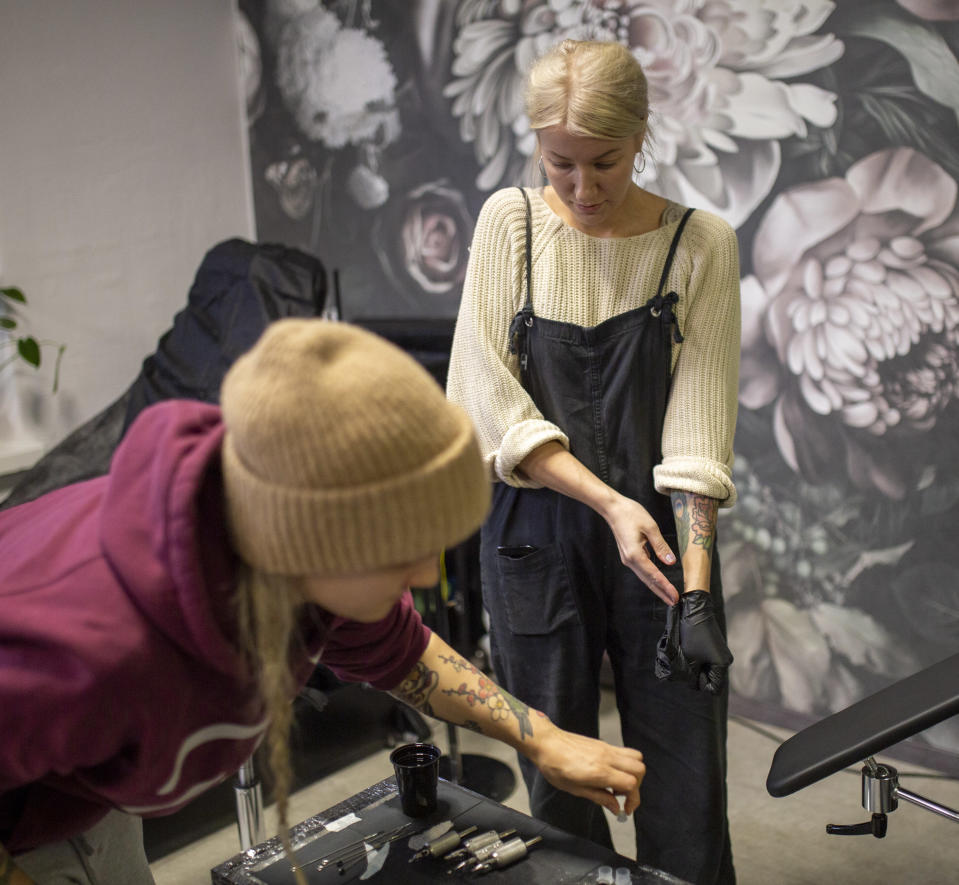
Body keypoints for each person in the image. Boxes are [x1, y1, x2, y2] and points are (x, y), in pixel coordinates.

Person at [0, 318, 647, 885]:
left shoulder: (287, 552)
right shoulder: (88, 647)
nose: (423, 573)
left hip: (86, 795)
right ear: (313, 540)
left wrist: (540, 737)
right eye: (402, 551)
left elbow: (403, 652)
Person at [446, 38, 740, 885]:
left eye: (603, 162)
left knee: (686, 774)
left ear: (641, 135)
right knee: (556, 775)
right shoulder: (510, 225)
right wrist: (607, 503)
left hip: (660, 546)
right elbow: (482, 394)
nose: (581, 188)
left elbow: (696, 429)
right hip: (535, 536)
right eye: (559, 163)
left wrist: (694, 583)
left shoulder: (698, 244)